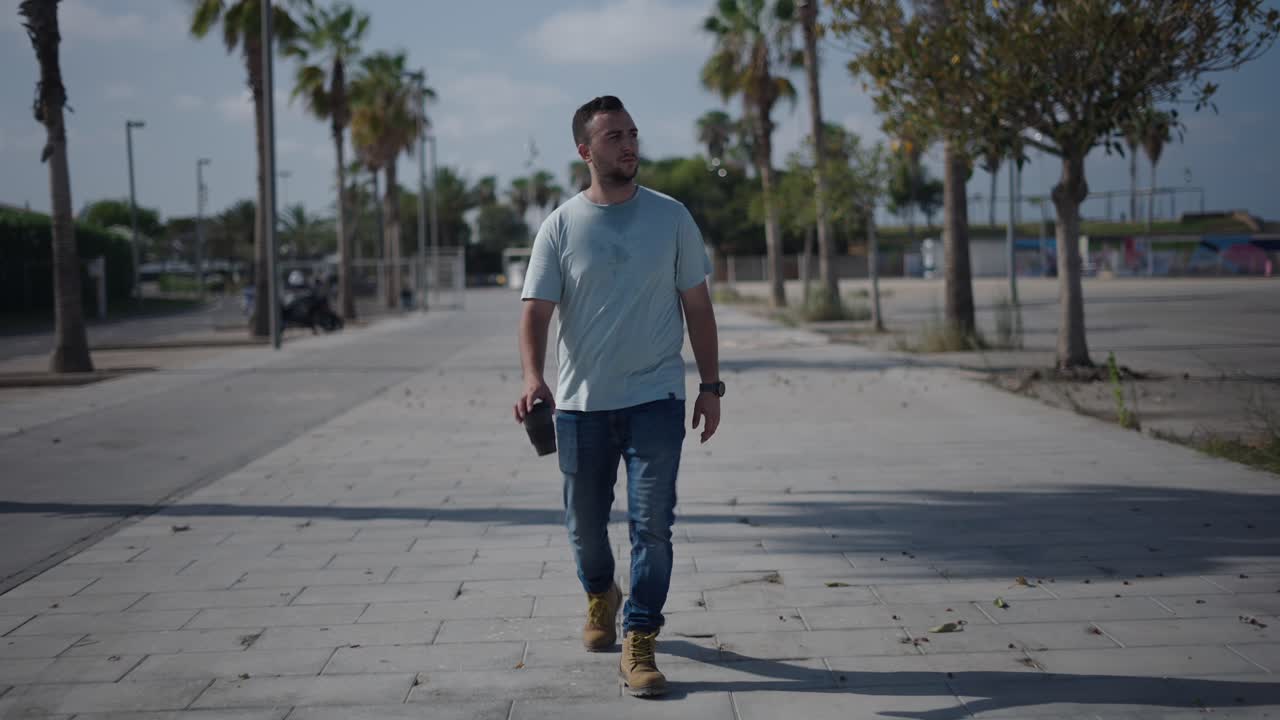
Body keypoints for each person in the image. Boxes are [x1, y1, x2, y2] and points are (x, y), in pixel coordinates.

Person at [513, 95, 723, 698]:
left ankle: (640, 637)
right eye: (613, 137)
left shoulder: (672, 217)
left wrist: (710, 386)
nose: (628, 145)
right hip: (581, 407)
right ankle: (600, 592)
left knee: (653, 526)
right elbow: (535, 313)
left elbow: (699, 308)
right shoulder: (560, 225)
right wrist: (534, 379)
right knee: (584, 527)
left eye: (632, 133)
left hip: (656, 399)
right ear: (585, 150)